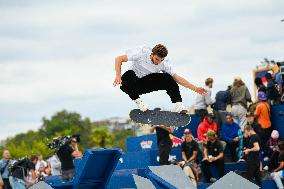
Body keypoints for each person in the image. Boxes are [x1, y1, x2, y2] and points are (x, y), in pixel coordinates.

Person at [113, 44, 206, 112]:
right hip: (132, 84)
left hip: (146, 84)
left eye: (161, 60)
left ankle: (179, 105)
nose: (158, 62)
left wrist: (195, 88)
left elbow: (178, 78)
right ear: (152, 54)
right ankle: (139, 102)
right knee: (128, 75)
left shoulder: (164, 63)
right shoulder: (141, 53)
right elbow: (119, 59)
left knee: (168, 77)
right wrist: (118, 75)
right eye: (157, 59)